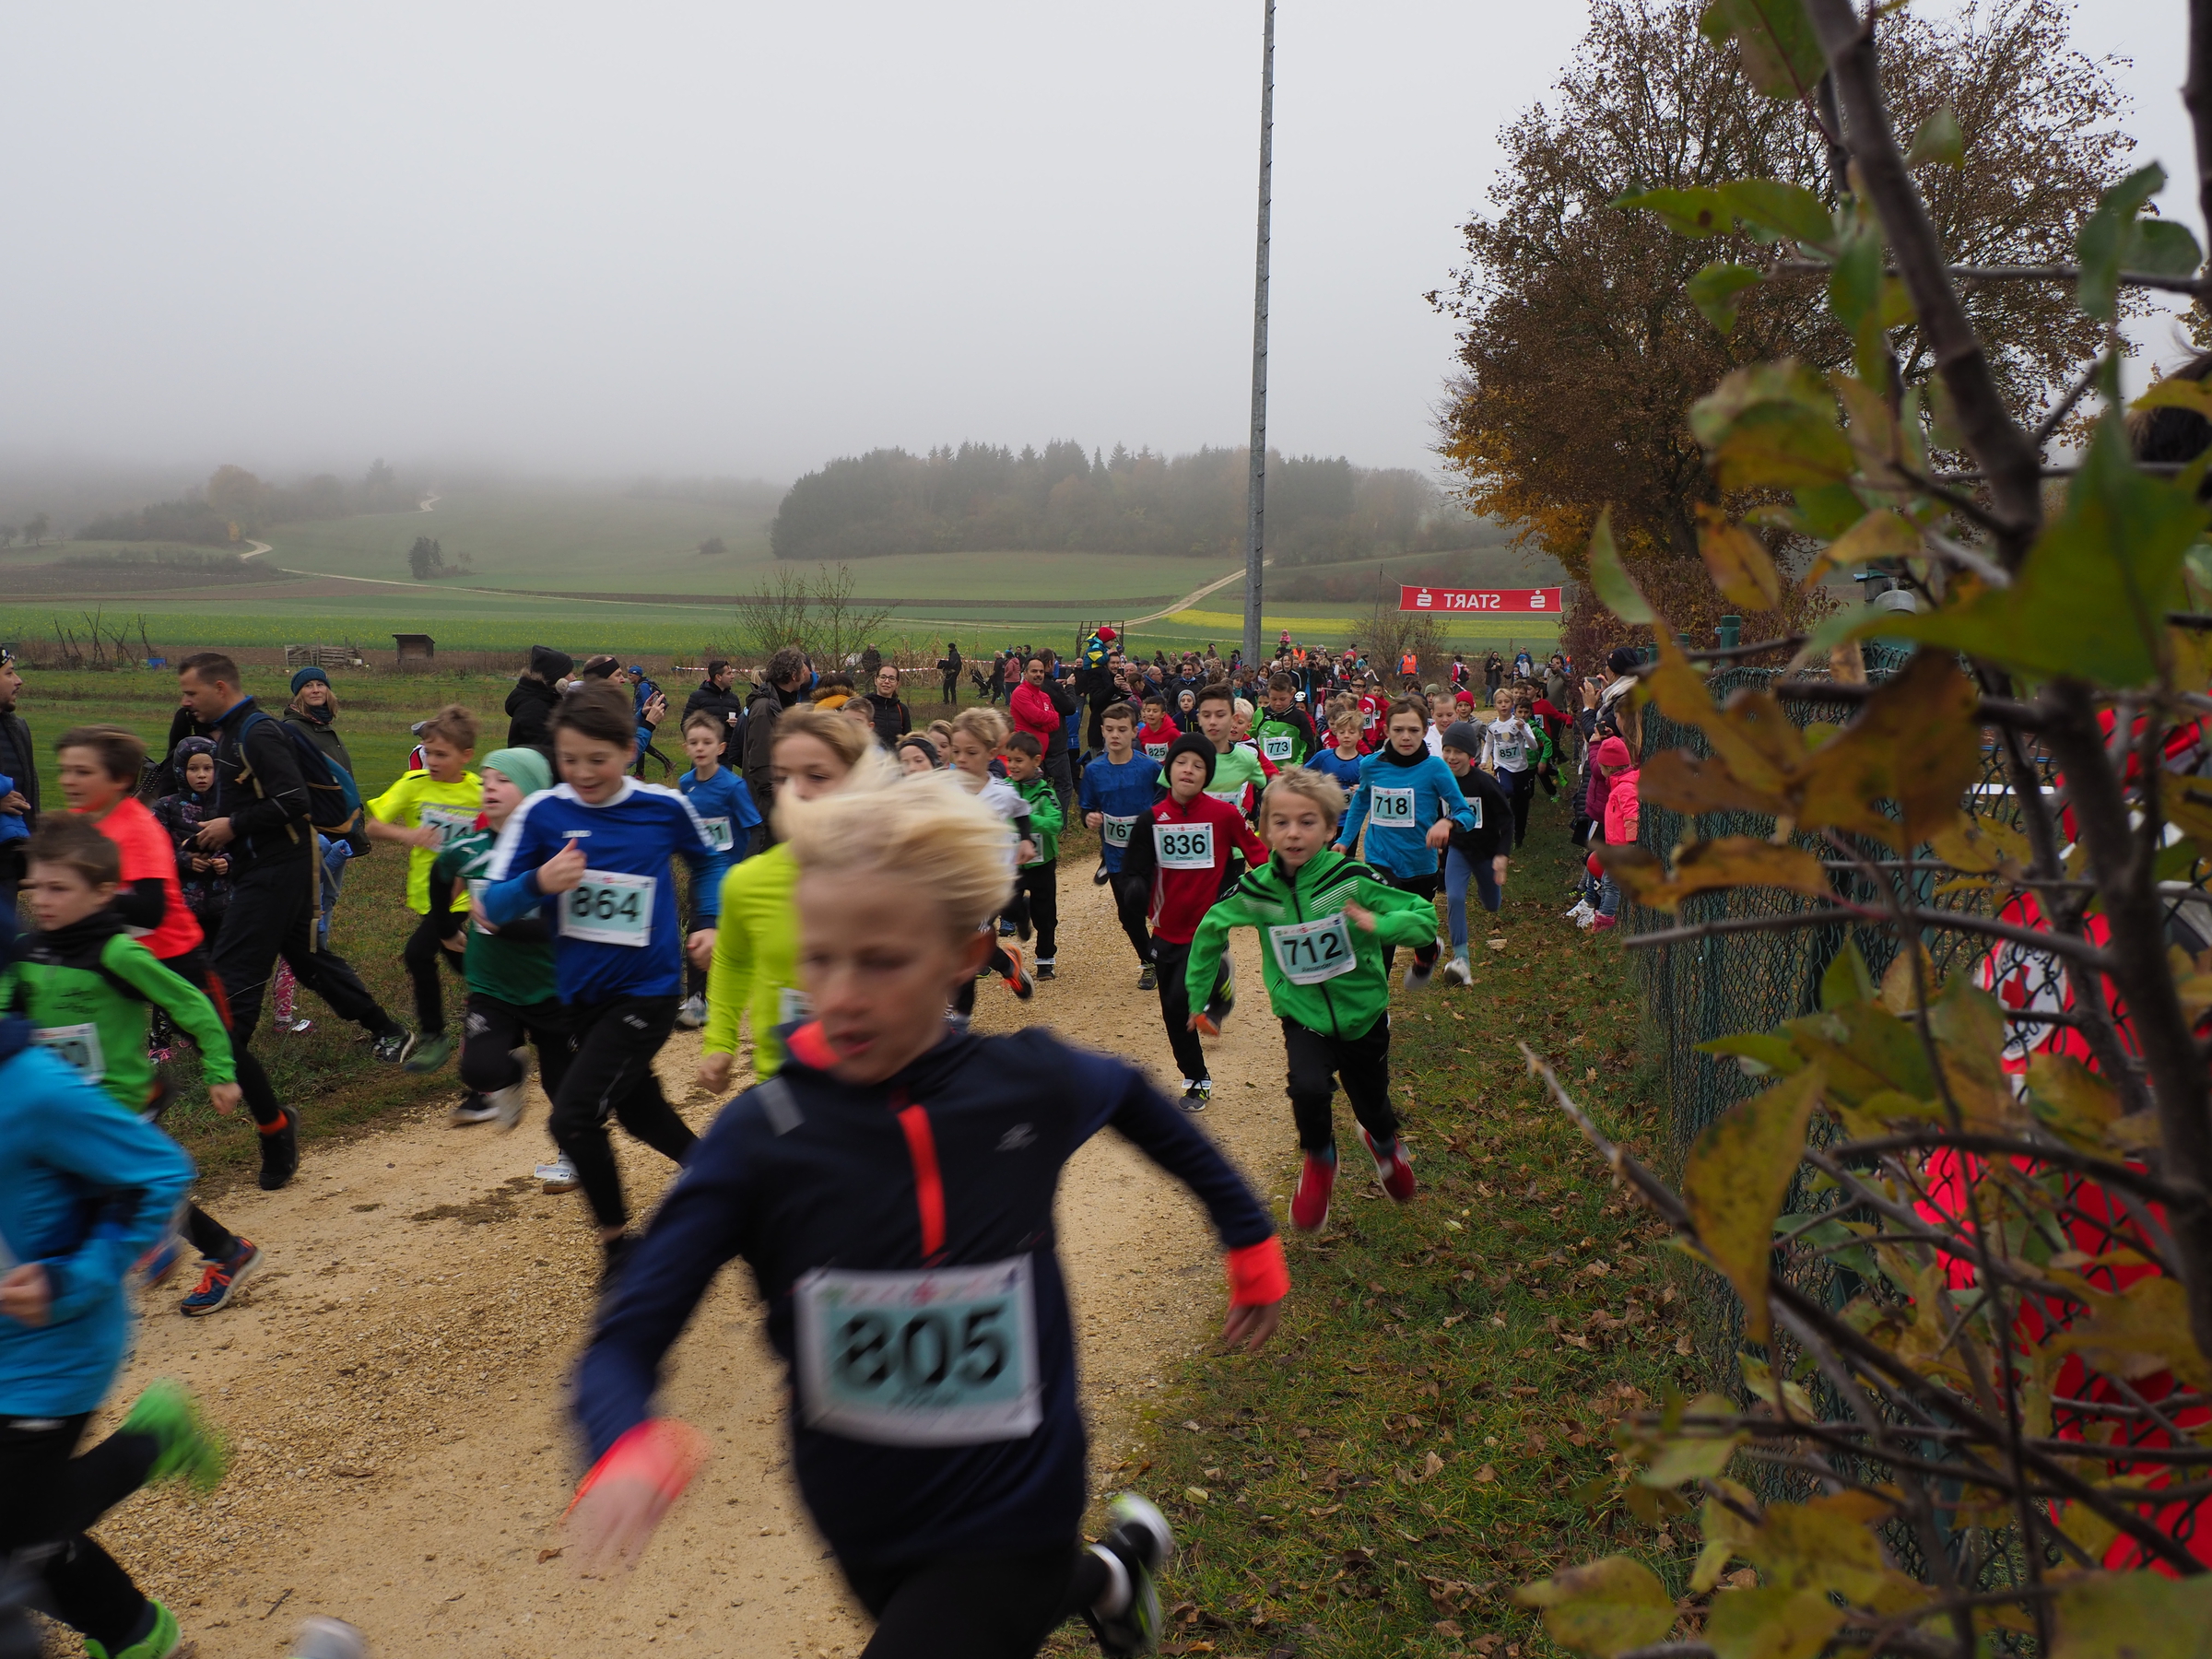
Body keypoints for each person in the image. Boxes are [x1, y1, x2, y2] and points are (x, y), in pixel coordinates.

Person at [564, 773, 1288, 1659]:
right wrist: (621, 1436)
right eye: (819, 957)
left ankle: (1092, 1574)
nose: (842, 994)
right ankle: (1113, 1575)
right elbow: (628, 1332)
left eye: (882, 961)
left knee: (975, 1607)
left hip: (1018, 1489)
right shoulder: (762, 1138)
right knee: (975, 1609)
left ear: (965, 953)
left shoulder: (1022, 1083)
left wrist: (1248, 1238)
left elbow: (1136, 1098)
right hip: (861, 1514)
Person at [0, 906, 218, 1659]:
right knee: (22, 1534)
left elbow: (158, 1171)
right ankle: (136, 1635)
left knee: (13, 1528)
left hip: (48, 1350)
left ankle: (150, 1441)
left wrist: (70, 1278)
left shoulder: (31, 1088)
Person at [482, 682, 731, 1281]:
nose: (584, 773)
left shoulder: (661, 806)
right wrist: (539, 882)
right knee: (640, 1113)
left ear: (628, 750)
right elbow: (490, 907)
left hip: (647, 992)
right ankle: (726, 1179)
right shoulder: (543, 814)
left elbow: (710, 860)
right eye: (570, 760)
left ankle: (620, 1250)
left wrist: (708, 921)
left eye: (598, 759)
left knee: (571, 1118)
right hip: (580, 997)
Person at [177, 654, 408, 1174]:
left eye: (191, 692)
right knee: (307, 960)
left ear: (219, 687)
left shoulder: (255, 733)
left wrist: (232, 826)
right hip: (267, 869)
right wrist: (216, 834)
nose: (185, 701)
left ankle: (263, 1113)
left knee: (233, 986)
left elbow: (292, 800)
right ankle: (387, 1028)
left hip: (277, 873)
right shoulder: (228, 735)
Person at [1184, 770, 1430, 1230]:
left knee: (1373, 1107)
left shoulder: (1351, 878)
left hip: (1363, 1015)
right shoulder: (1257, 889)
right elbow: (1210, 928)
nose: (1293, 833)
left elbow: (1422, 916)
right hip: (1304, 1017)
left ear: (1331, 828)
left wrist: (1381, 925)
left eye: (1307, 822)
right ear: (1264, 829)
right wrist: (1200, 998)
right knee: (1308, 1087)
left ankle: (1384, 1145)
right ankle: (1319, 1159)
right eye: (1280, 822)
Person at [697, 704, 877, 1098]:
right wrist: (720, 1042)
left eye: (817, 776)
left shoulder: (897, 880)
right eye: (782, 778)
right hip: (783, 1085)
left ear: (857, 780)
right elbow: (732, 959)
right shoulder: (749, 881)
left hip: (877, 1092)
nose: (797, 790)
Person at [430, 747, 572, 1163]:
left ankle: (572, 1153)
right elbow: (440, 876)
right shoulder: (468, 848)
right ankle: (512, 1076)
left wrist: (499, 924)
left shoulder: (554, 855)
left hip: (551, 986)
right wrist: (445, 928)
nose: (489, 787)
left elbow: (564, 928)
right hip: (491, 984)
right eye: (486, 779)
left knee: (562, 1084)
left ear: (533, 792)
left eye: (504, 780)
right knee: (478, 1071)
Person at [1116, 734, 1268, 1110]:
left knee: (1180, 998)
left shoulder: (1224, 815)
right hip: (1165, 929)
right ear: (1169, 770)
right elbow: (1134, 869)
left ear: (1207, 776)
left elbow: (1257, 854)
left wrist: (1280, 884)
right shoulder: (1151, 819)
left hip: (1206, 928)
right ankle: (1195, 1077)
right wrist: (1135, 891)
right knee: (1172, 1011)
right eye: (1182, 762)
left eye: (1198, 765)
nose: (1189, 770)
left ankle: (1217, 981)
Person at [358, 703, 484, 1077]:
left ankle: (434, 1037)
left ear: (466, 755)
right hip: (425, 894)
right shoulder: (414, 784)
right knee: (461, 959)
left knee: (417, 954)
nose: (433, 761)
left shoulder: (478, 791)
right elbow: (373, 826)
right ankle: (503, 997)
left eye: (442, 754)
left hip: (462, 895)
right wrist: (408, 834)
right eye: (428, 752)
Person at [1334, 700, 1476, 989]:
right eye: (1398, 730)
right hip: (1380, 859)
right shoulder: (1371, 765)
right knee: (1383, 930)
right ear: (1386, 730)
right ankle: (1378, 1000)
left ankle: (1428, 953)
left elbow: (1466, 813)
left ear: (1425, 730)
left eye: (1413, 730)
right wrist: (1344, 841)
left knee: (1415, 929)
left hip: (1420, 864)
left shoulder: (1435, 768)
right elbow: (1361, 801)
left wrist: (1447, 823)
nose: (1406, 737)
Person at [944, 708, 1038, 1007]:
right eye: (956, 751)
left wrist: (1025, 840)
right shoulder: (942, 788)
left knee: (969, 940)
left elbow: (1022, 812)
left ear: (992, 753)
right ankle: (1009, 964)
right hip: (952, 879)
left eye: (971, 752)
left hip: (988, 879)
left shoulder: (1002, 792)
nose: (961, 759)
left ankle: (958, 1018)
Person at [674, 712, 761, 1028]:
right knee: (699, 931)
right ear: (686, 748)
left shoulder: (733, 786)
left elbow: (755, 828)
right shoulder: (685, 784)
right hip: (701, 872)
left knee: (719, 934)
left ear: (721, 748)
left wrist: (744, 869)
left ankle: (726, 991)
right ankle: (698, 1000)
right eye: (694, 742)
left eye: (707, 742)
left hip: (730, 872)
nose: (700, 748)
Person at [1078, 701, 1163, 987]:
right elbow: (1086, 807)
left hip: (1151, 854)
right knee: (1128, 915)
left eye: (1122, 729)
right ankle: (1149, 962)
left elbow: (1166, 801)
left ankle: (1168, 955)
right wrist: (1089, 817)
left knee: (1157, 909)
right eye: (1110, 729)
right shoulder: (1094, 770)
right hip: (1116, 856)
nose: (1115, 735)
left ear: (1134, 732)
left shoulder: (1150, 768)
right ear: (1102, 731)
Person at [1436, 722, 1513, 987]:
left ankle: (1486, 889)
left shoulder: (1485, 783)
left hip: (1486, 852)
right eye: (1447, 750)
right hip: (1459, 849)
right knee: (1455, 897)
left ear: (1470, 754)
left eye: (1458, 752)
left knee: (1492, 905)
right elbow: (1436, 812)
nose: (1451, 757)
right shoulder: (1441, 782)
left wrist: (1502, 855)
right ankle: (1462, 961)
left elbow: (1506, 820)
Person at [152, 738, 232, 936]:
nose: (201, 775)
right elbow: (152, 856)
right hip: (181, 912)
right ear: (180, 771)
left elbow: (251, 848)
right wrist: (185, 860)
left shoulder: (230, 806)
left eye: (208, 768)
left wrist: (229, 862)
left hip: (225, 909)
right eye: (193, 769)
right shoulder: (166, 808)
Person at [1001, 732, 1064, 980]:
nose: (1013, 765)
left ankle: (1045, 959)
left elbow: (1056, 823)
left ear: (1036, 761)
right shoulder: (1004, 789)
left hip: (1042, 863)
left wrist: (1026, 818)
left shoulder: (1045, 793)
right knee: (1006, 906)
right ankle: (1021, 912)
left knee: (1045, 915)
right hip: (1013, 863)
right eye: (1009, 760)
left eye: (1019, 760)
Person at [743, 647, 810, 841]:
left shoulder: (782, 702)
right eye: (802, 668)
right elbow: (761, 763)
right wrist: (780, 800)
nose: (806, 672)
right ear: (794, 675)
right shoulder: (765, 708)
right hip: (767, 810)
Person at [1009, 656, 1078, 820]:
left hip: (1041, 754)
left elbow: (1054, 723)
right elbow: (1035, 717)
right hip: (1025, 754)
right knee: (1028, 791)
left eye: (1041, 671)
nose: (1038, 674)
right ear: (1025, 674)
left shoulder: (1044, 696)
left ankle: (1055, 821)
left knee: (1046, 788)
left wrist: (1041, 722)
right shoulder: (1020, 693)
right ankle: (1025, 823)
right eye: (1034, 671)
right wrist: (1044, 719)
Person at [1191, 684, 1273, 818]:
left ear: (1248, 726)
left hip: (1241, 809)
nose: (1234, 727)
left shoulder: (1252, 750)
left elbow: (1271, 775)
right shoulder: (1197, 749)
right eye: (1206, 715)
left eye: (1240, 723)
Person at [0, 649, 37, 912]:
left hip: (7, 865)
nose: (19, 681)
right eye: (9, 673)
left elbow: (30, 795)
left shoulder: (17, 728)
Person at [1592, 735, 1641, 933]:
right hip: (1615, 845)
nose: (1600, 771)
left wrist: (1631, 842)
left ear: (1610, 768)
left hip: (1622, 847)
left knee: (1611, 884)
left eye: (1601, 767)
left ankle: (1606, 919)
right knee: (1607, 880)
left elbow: (1631, 815)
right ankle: (1608, 914)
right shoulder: (1619, 786)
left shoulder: (1624, 788)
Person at [1481, 688, 1539, 849]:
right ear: (1495, 706)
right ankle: (1496, 819)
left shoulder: (1520, 723)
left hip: (1521, 768)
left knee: (1521, 805)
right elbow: (1489, 743)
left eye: (1506, 702)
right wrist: (1484, 761)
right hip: (1503, 766)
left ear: (1512, 704)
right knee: (1506, 790)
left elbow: (1534, 746)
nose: (1503, 705)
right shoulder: (1492, 726)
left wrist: (1523, 730)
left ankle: (1519, 835)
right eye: (1499, 702)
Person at [506, 645, 573, 758]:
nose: (573, 678)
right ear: (556, 677)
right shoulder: (533, 709)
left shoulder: (548, 698)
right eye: (569, 673)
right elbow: (546, 751)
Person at [681, 659, 747, 771]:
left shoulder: (733, 699)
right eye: (729, 673)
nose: (733, 676)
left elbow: (740, 728)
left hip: (726, 755)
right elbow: (685, 725)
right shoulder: (698, 697)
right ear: (719, 677)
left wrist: (736, 724)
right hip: (703, 754)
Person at [1253, 672, 1318, 771]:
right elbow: (1248, 738)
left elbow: (1308, 747)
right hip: (1265, 772)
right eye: (1274, 699)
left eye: (1282, 699)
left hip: (1291, 773)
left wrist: (1295, 768)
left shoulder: (1299, 717)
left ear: (1291, 694)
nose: (1278, 703)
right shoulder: (1260, 714)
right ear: (1269, 693)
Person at [1134, 692, 1179, 764]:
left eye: (1155, 711)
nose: (1151, 714)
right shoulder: (1142, 733)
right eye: (1148, 711)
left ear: (1162, 714)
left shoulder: (1172, 732)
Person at [936, 640, 964, 705]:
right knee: (952, 688)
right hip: (955, 673)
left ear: (950, 648)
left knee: (945, 687)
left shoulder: (953, 654)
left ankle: (946, 701)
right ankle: (953, 701)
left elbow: (952, 664)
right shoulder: (956, 653)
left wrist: (945, 666)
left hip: (951, 673)